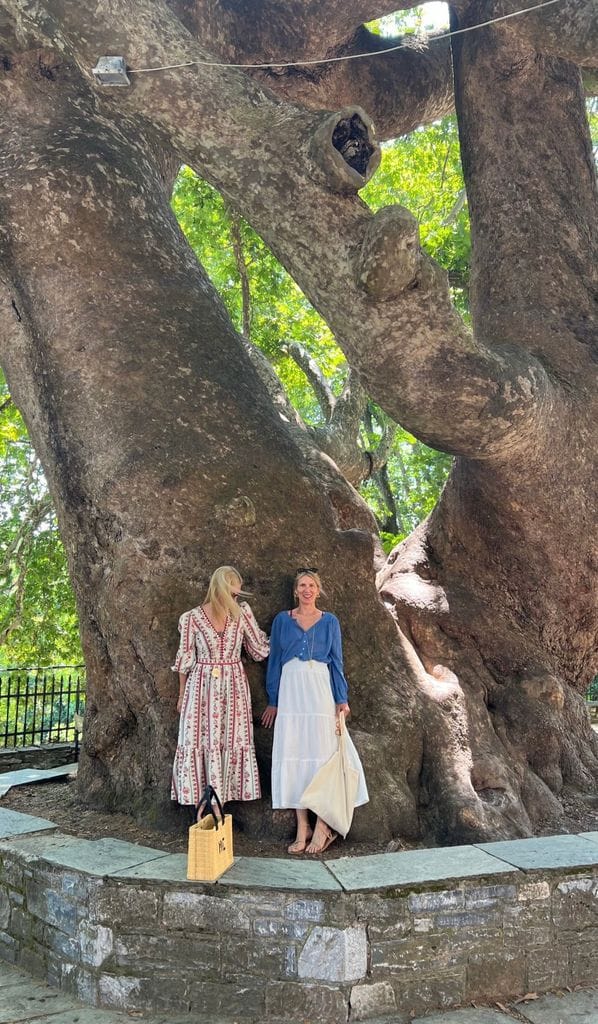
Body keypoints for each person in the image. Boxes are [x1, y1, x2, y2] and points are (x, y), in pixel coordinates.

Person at [261, 568, 368, 854]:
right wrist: (273, 699)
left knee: (322, 755)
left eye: (312, 585)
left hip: (320, 690)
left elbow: (337, 663)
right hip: (291, 690)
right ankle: (302, 827)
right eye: (302, 586)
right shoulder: (282, 621)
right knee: (294, 752)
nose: (307, 590)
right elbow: (273, 662)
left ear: (318, 590)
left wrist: (341, 699)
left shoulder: (330, 621)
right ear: (295, 591)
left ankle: (322, 826)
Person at [171, 566, 269, 807]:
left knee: (228, 739)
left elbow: (258, 650)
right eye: (236, 586)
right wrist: (182, 693)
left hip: (232, 686)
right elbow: (184, 659)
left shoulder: (242, 613)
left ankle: (218, 808)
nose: (239, 591)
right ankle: (201, 810)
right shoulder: (191, 618)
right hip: (201, 686)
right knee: (199, 740)